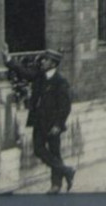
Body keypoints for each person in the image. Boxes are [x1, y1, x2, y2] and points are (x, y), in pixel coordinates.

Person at [28, 53, 76, 194]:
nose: (42, 61)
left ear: (53, 64)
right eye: (43, 59)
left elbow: (65, 106)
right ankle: (67, 171)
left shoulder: (60, 81)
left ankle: (56, 185)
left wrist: (58, 125)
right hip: (39, 122)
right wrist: (8, 60)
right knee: (38, 149)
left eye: (46, 60)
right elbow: (25, 73)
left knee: (55, 152)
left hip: (52, 124)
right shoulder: (40, 77)